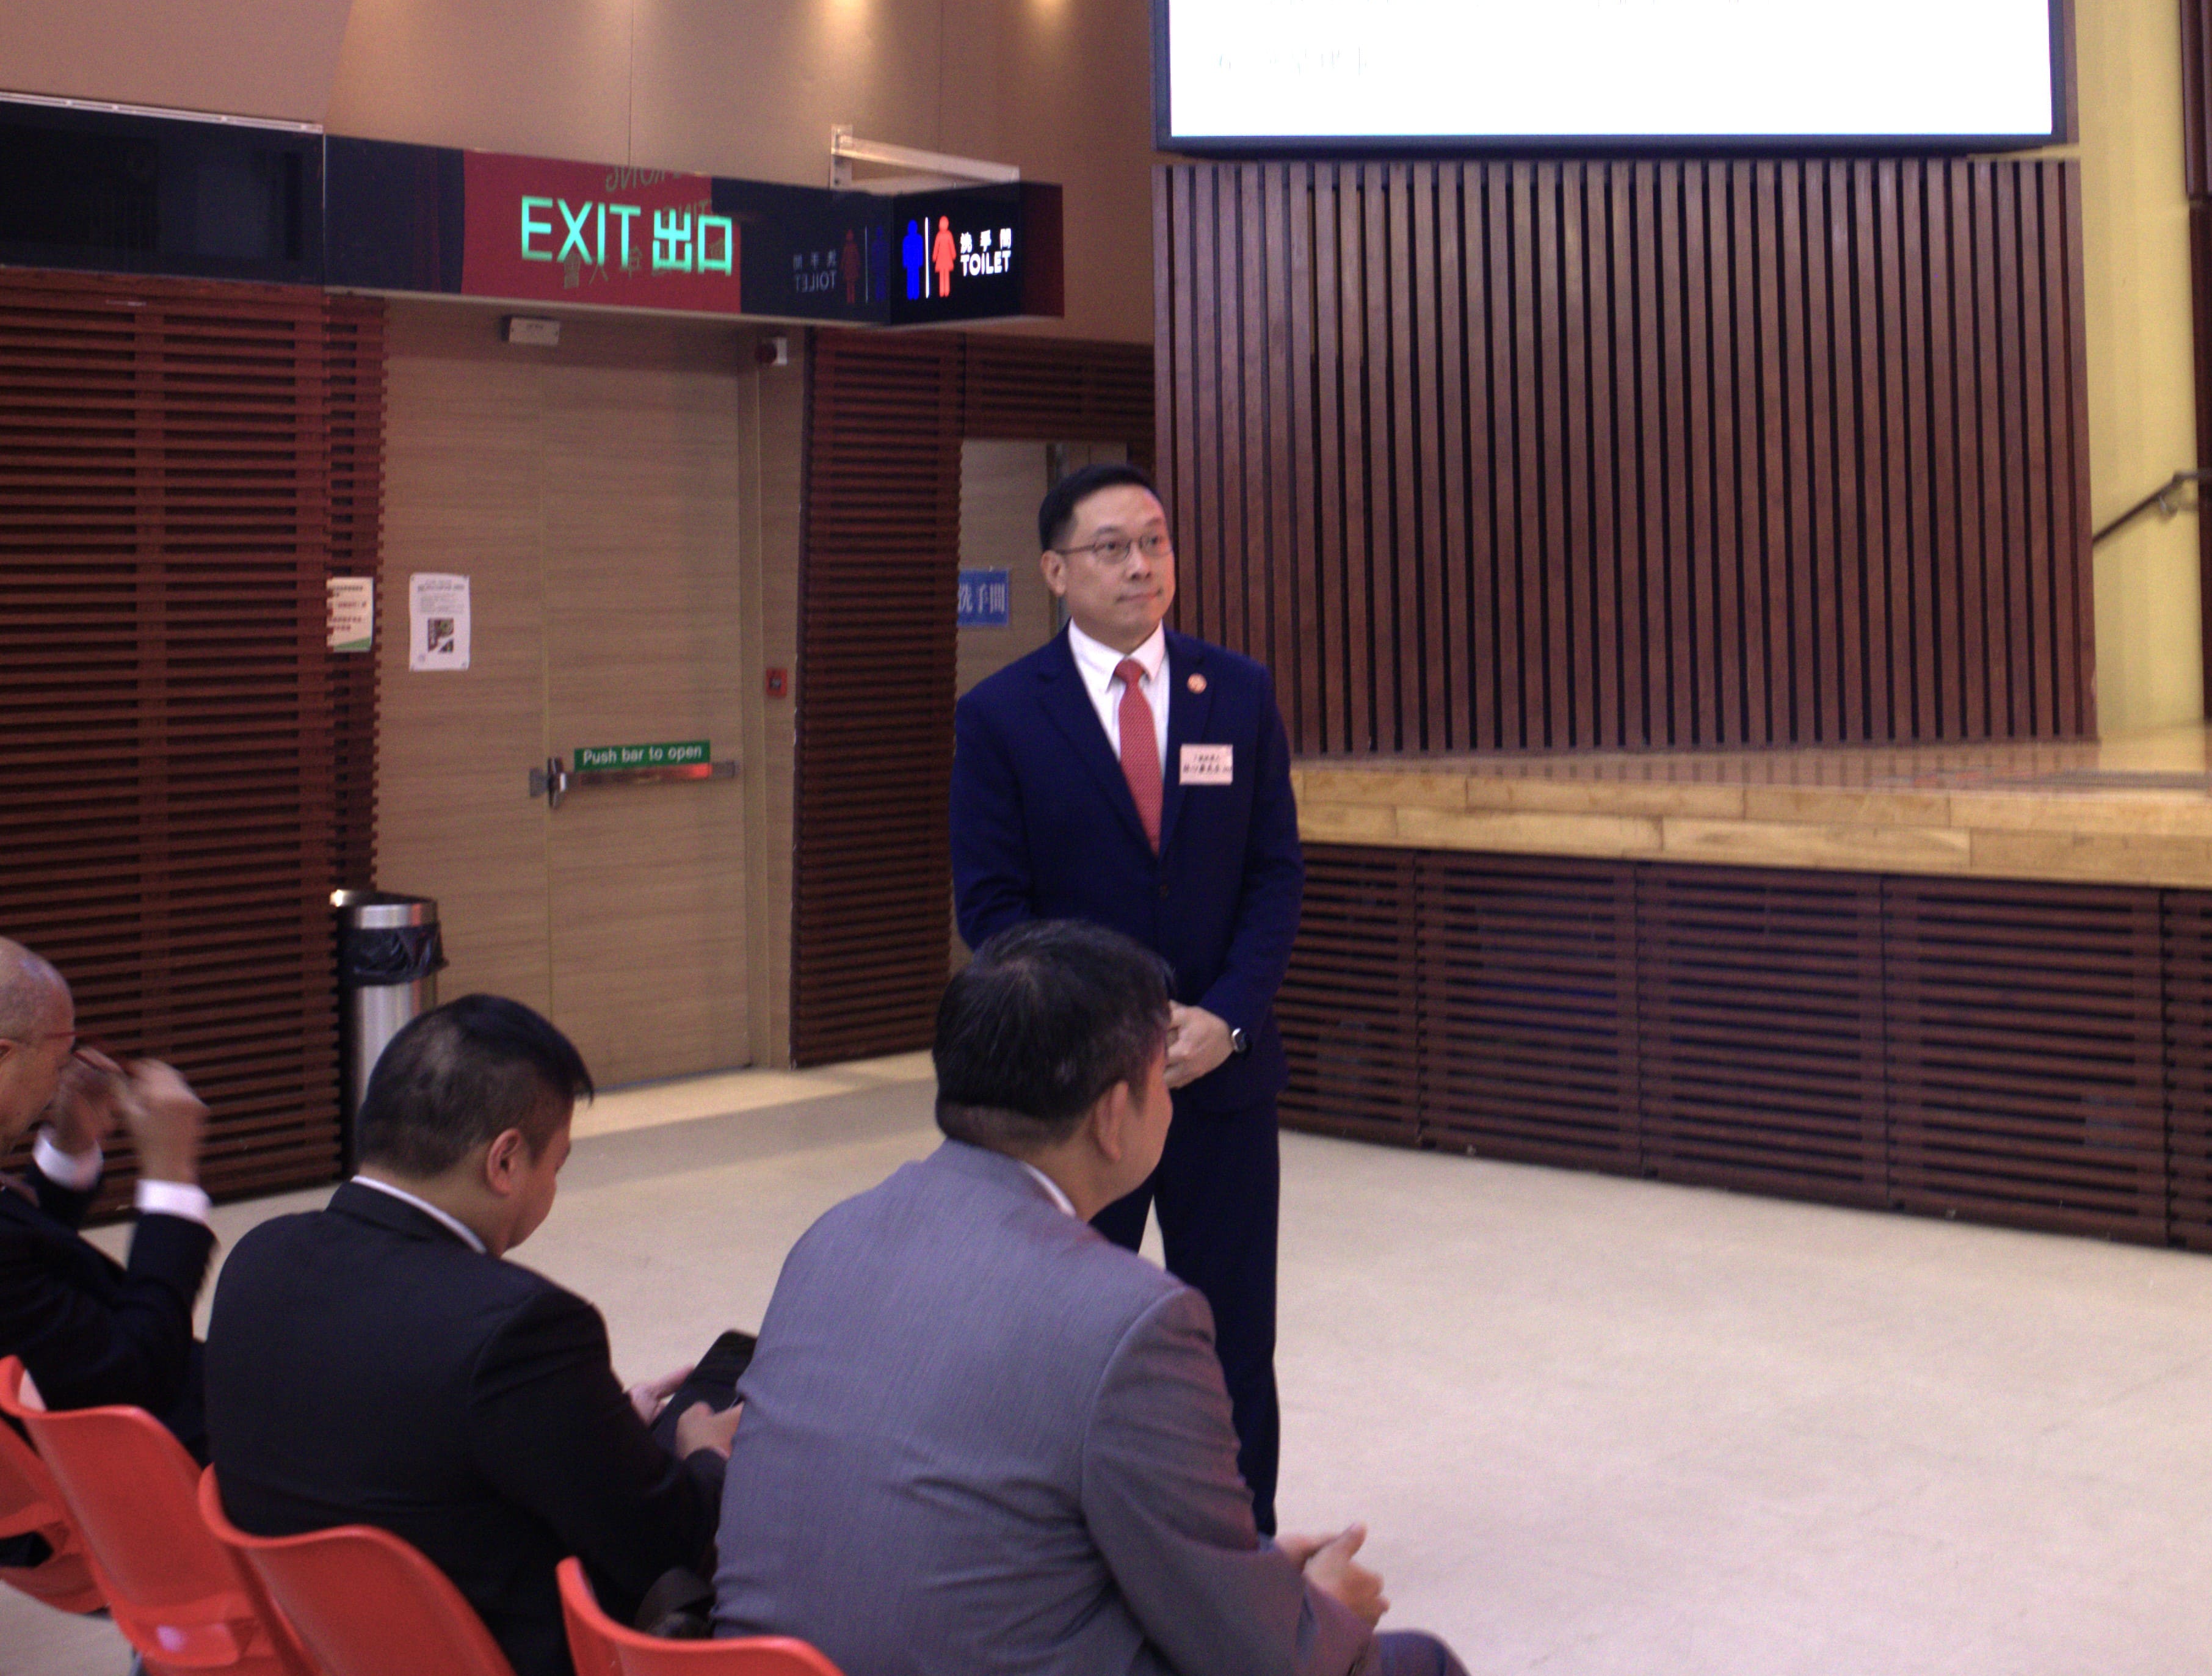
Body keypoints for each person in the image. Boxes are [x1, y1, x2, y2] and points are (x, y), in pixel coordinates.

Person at [714, 920, 1465, 1676]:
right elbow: (1263, 1657)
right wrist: (1321, 1605)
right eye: (1161, 1075)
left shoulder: (831, 1238)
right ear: (1112, 1116)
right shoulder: (1132, 1321)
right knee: (1412, 1663)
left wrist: (1257, 1574)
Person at [950, 461, 1305, 1532]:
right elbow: (993, 908)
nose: (1141, 564)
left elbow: (1273, 874)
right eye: (1112, 547)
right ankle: (1077, 1539)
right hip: (1080, 1095)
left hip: (1219, 1076)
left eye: (1154, 541)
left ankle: (1237, 1544)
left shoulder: (1234, 690)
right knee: (1074, 1334)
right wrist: (1110, 1031)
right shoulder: (1001, 715)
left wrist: (1228, 1016)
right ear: (1056, 571)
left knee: (1230, 1332)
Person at [205, 995, 739, 1676]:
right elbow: (669, 1544)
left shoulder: (257, 1259)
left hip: (322, 1649)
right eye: (557, 1165)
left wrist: (598, 1432)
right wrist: (703, 1451)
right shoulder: (520, 1327)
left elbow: (403, 1440)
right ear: (505, 1161)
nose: (553, 1187)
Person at [0, 936, 214, 1455]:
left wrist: (70, 1148)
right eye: (58, 1062)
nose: (59, 1083)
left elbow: (29, 1278)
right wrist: (171, 1177)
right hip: (164, 1452)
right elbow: (138, 1371)